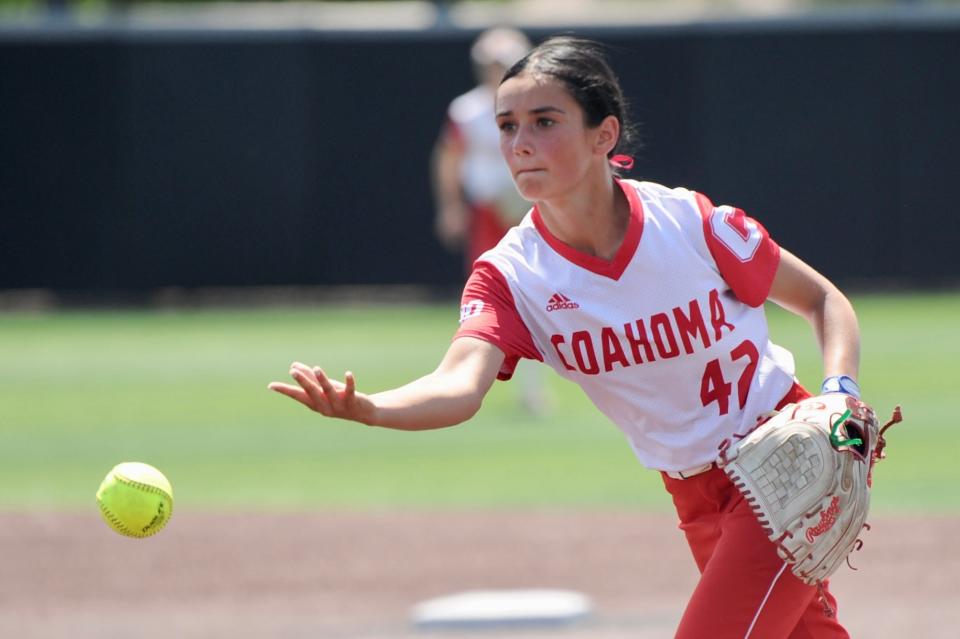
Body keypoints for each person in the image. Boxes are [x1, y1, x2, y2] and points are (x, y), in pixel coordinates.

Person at [270, 36, 860, 638]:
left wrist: (839, 390)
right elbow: (459, 384)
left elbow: (821, 300)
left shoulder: (690, 223)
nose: (519, 143)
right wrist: (372, 408)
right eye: (506, 125)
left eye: (544, 121)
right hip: (694, 495)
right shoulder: (512, 274)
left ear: (604, 135)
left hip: (791, 464)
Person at [430, 27, 550, 415]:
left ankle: (533, 386)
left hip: (530, 206)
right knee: (488, 295)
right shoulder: (468, 110)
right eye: (490, 64)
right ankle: (466, 380)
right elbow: (449, 158)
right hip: (487, 208)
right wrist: (450, 206)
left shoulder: (541, 105)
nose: (495, 72)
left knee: (539, 293)